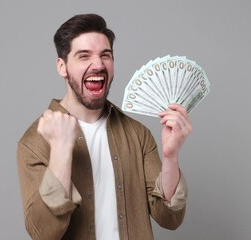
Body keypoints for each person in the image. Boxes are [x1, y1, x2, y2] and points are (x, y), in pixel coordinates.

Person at [17, 13, 191, 240]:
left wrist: (171, 156)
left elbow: (169, 218)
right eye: (83, 56)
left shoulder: (138, 135)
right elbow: (44, 233)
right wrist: (60, 151)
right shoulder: (34, 142)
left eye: (105, 55)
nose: (98, 64)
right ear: (62, 67)